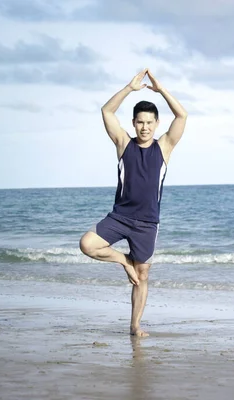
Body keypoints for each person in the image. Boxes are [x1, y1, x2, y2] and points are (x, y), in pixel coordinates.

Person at [79, 68, 188, 337]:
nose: (145, 127)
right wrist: (130, 88)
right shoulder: (123, 144)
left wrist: (161, 90)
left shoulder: (164, 147)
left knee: (143, 276)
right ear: (133, 122)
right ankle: (124, 262)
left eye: (149, 122)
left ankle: (135, 326)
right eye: (140, 122)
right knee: (87, 244)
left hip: (147, 224)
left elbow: (182, 115)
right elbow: (106, 112)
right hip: (120, 217)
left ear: (156, 124)